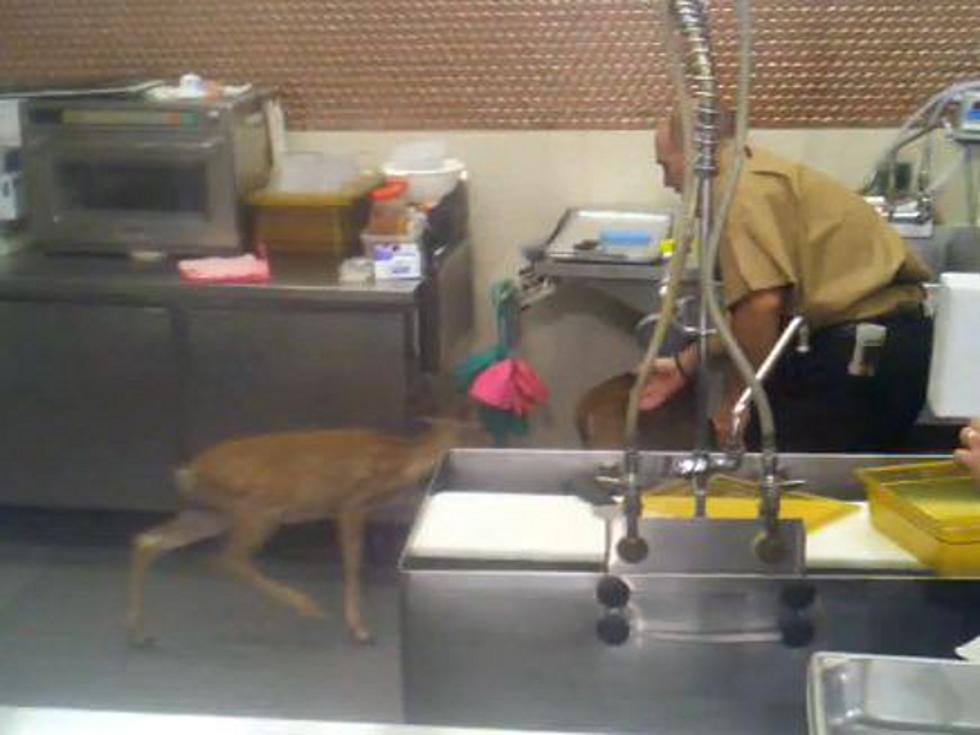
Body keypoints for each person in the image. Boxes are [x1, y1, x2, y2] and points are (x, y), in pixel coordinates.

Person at [637, 110, 934, 453]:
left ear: (694, 151)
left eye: (665, 165)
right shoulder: (753, 172)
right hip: (888, 344)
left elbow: (761, 308)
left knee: (798, 476)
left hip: (862, 351)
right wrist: (683, 364)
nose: (667, 182)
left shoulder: (734, 188)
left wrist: (737, 404)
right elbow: (764, 311)